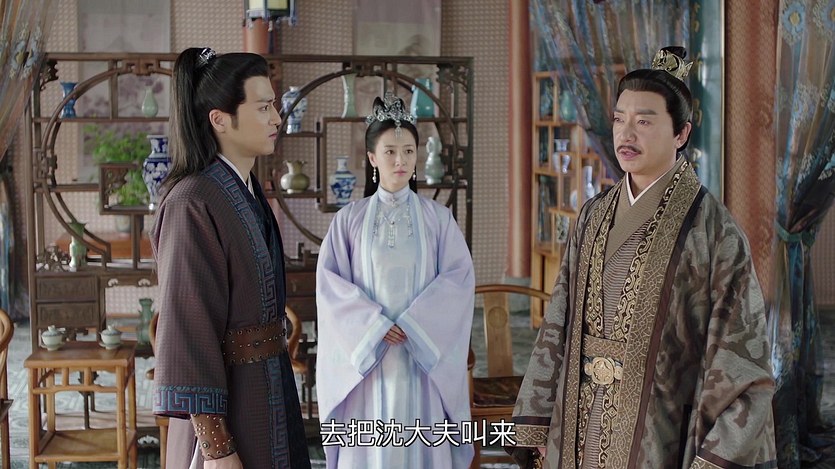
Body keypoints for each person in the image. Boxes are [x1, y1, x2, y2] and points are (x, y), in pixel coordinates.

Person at [508, 47, 777, 468]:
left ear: (681, 134)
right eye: (620, 119)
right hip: (578, 419)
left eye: (644, 121)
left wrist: (713, 456)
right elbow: (558, 319)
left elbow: (742, 360)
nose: (626, 134)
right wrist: (539, 419)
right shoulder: (594, 214)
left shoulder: (714, 232)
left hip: (661, 431)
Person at [151, 47, 311, 469]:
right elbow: (189, 331)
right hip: (226, 410)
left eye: (273, 105)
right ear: (220, 119)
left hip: (268, 386)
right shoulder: (191, 202)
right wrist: (217, 448)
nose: (277, 119)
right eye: (263, 107)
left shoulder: (247, 188)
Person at [316, 92, 475, 468]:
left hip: (421, 356)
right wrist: (372, 326)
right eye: (390, 151)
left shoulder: (438, 219)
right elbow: (330, 285)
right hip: (370, 357)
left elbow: (458, 280)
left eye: (408, 151)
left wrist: (416, 325)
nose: (400, 160)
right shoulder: (349, 220)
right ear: (372, 158)